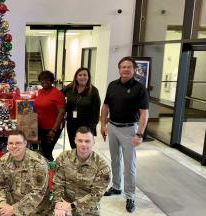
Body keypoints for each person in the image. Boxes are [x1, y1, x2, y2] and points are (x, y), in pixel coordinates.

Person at [100, 56, 149, 213]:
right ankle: (116, 187)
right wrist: (103, 124)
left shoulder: (140, 88)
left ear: (134, 69)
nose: (126, 69)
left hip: (130, 130)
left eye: (129, 67)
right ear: (119, 69)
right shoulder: (112, 85)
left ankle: (130, 196)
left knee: (130, 165)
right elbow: (105, 106)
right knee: (115, 159)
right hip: (113, 127)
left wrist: (139, 134)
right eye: (123, 67)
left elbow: (144, 113)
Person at [0, 130, 52, 216]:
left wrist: (14, 209)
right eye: (11, 143)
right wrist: (3, 204)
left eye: (18, 143)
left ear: (25, 143)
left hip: (35, 206)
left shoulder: (38, 163)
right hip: (11, 202)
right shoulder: (3, 161)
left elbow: (38, 193)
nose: (14, 146)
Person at [53, 126, 111, 216]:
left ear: (93, 142)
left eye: (87, 141)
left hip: (88, 210)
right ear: (75, 141)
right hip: (63, 205)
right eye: (80, 140)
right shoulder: (63, 157)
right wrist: (59, 204)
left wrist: (71, 206)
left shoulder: (102, 166)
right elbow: (57, 183)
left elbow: (95, 195)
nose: (83, 144)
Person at [62, 68, 101, 149]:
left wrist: (91, 129)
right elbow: (58, 96)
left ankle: (83, 162)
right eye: (80, 75)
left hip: (86, 125)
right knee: (73, 146)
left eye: (85, 75)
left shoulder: (93, 91)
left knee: (83, 148)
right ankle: (75, 161)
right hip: (71, 123)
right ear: (76, 77)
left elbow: (96, 112)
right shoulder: (69, 88)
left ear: (88, 77)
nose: (82, 77)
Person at [34, 70, 66, 161]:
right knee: (42, 151)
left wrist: (53, 130)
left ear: (52, 81)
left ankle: (50, 172)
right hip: (40, 127)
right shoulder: (40, 92)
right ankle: (43, 171)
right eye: (42, 80)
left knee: (47, 152)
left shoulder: (57, 94)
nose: (44, 81)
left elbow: (61, 112)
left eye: (47, 79)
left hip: (51, 129)